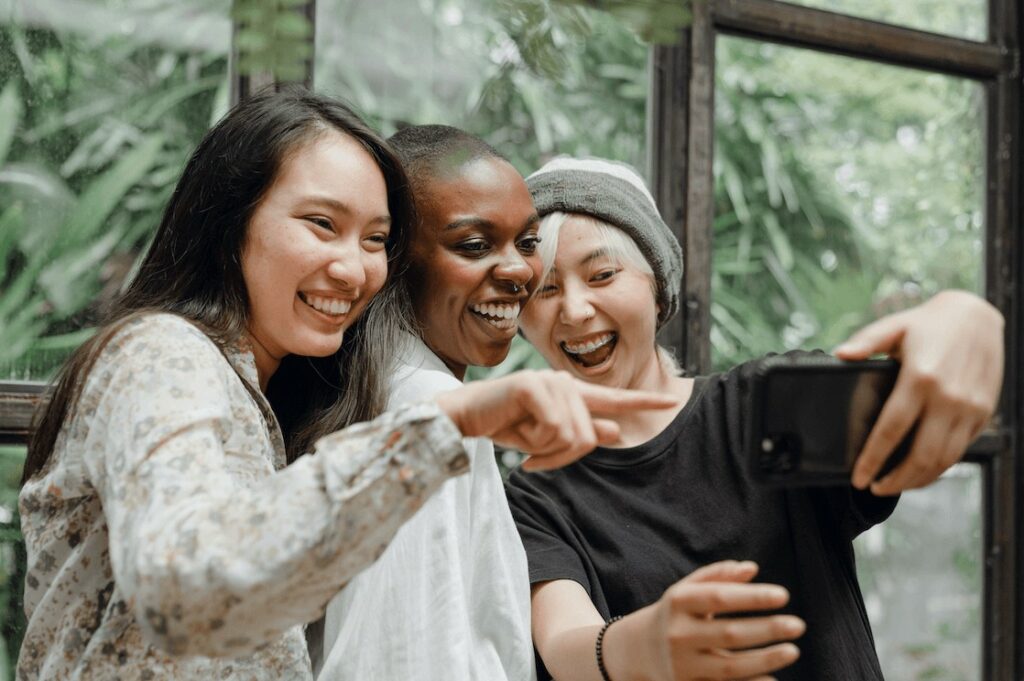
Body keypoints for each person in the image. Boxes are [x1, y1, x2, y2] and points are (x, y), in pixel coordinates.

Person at [16, 96, 674, 681]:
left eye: (376, 239)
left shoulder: (266, 394)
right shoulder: (164, 355)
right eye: (322, 224)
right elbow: (182, 592)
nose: (354, 266)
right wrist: (447, 427)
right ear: (231, 220)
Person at [505, 156, 1005, 681]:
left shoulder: (767, 404)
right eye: (546, 290)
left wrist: (964, 317)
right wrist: (643, 644)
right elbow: (565, 645)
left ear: (657, 287)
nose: (576, 310)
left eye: (603, 274)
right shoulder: (536, 494)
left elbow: (915, 397)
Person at [318, 125, 542, 680]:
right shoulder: (429, 408)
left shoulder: (386, 389)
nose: (518, 270)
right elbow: (401, 660)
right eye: (474, 245)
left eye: (529, 242)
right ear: (394, 260)